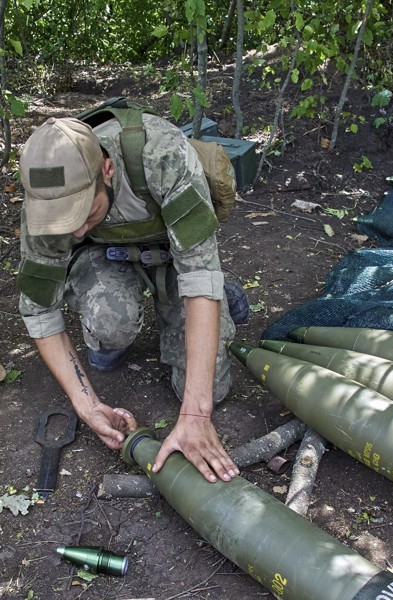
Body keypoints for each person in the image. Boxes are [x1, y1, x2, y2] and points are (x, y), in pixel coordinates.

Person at [16, 113, 240, 483]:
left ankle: (222, 299)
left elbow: (198, 278)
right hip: (104, 259)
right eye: (63, 223)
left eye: (86, 214)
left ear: (107, 170)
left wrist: (195, 417)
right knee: (111, 322)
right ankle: (108, 338)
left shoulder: (160, 155)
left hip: (174, 256)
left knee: (209, 390)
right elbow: (39, 310)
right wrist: (87, 406)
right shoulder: (45, 205)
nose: (74, 230)